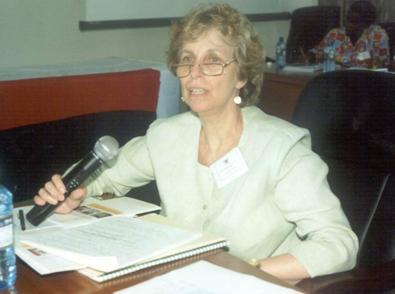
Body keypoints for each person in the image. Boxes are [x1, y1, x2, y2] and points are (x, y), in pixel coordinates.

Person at [33, 4, 358, 283]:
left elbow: (338, 242)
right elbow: (106, 176)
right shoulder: (167, 135)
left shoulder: (282, 149)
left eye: (213, 61)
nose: (195, 74)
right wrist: (75, 193)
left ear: (241, 76)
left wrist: (250, 272)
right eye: (187, 60)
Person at [316, 0, 390, 68]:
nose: (348, 24)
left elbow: (381, 63)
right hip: (335, 78)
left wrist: (337, 58)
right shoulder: (335, 34)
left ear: (367, 24)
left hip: (367, 80)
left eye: (354, 21)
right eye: (347, 19)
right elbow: (318, 54)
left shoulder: (379, 36)